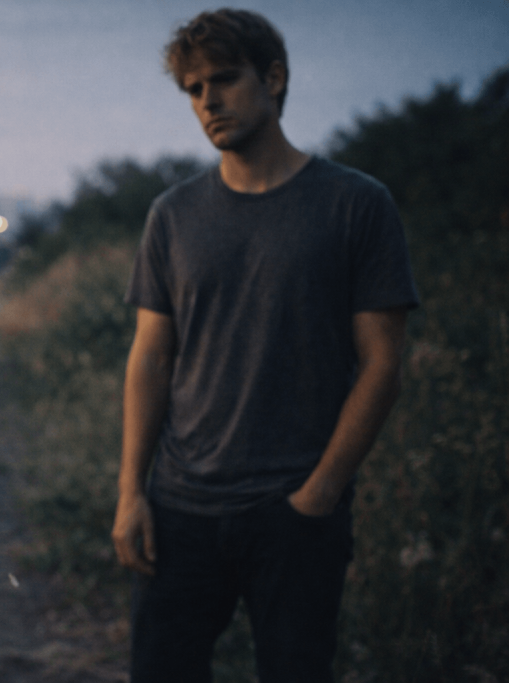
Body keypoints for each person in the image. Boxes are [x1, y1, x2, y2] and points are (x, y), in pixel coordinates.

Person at [111, 8, 419, 682]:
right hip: (182, 506)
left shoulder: (356, 204)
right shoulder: (172, 213)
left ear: (273, 78)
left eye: (224, 79)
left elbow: (383, 363)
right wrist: (132, 491)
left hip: (295, 510)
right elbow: (151, 358)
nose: (208, 101)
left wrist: (320, 494)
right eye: (193, 89)